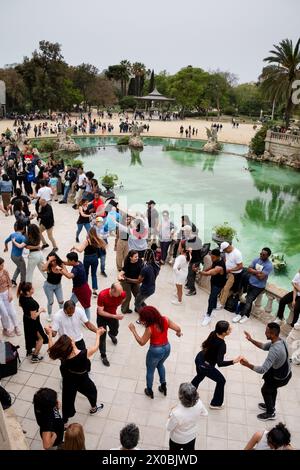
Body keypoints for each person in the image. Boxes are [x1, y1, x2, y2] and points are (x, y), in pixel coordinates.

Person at [47, 330, 105, 425]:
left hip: (68, 379)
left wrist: (49, 334)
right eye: (71, 340)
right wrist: (98, 334)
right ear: (71, 345)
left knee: (67, 401)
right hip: (82, 379)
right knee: (92, 391)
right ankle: (94, 408)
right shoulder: (82, 354)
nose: (72, 339)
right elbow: (96, 347)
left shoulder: (62, 354)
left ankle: (64, 421)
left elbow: (50, 348)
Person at [240, 323, 292, 421]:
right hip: (285, 372)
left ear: (272, 334)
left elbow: (262, 370)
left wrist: (247, 365)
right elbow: (264, 346)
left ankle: (270, 413)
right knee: (271, 388)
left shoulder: (275, 350)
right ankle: (271, 405)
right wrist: (251, 339)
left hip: (280, 377)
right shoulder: (280, 341)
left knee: (266, 390)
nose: (264, 333)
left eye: (266, 331)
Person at [128, 306, 182, 399]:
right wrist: (178, 333)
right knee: (160, 365)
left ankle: (149, 390)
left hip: (155, 351)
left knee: (150, 371)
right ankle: (163, 386)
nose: (141, 319)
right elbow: (178, 328)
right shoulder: (165, 319)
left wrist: (133, 330)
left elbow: (142, 342)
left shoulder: (150, 328)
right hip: (167, 348)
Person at [191, 321, 241, 409]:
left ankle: (188, 394)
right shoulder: (222, 345)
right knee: (221, 381)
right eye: (229, 329)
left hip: (199, 358)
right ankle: (216, 404)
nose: (231, 330)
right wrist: (234, 361)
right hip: (205, 365)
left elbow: (205, 345)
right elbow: (220, 363)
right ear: (223, 332)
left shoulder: (213, 333)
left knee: (200, 376)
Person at [233, 248, 273, 324]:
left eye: (263, 254)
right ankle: (247, 315)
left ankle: (241, 315)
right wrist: (257, 272)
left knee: (248, 300)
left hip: (259, 286)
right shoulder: (257, 260)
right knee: (249, 300)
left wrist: (253, 271)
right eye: (261, 253)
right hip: (251, 282)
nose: (261, 255)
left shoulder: (269, 265)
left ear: (268, 256)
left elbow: (261, 277)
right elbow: (249, 269)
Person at [167, 383, 208, 451]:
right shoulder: (199, 403)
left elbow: (168, 428)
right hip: (191, 436)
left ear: (181, 397)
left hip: (177, 440)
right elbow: (205, 413)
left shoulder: (176, 413)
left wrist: (170, 415)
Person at [96, 282, 126, 367]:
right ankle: (103, 355)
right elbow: (100, 312)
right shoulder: (102, 295)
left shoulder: (122, 294)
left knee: (115, 330)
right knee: (102, 337)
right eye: (119, 293)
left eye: (121, 292)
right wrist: (114, 316)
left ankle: (111, 334)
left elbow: (123, 299)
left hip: (113, 316)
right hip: (102, 317)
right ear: (112, 290)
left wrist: (115, 309)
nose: (121, 294)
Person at [72, 227, 106, 297]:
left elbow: (80, 250)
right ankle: (94, 290)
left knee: (86, 274)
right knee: (94, 274)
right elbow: (104, 246)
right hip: (95, 258)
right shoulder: (97, 240)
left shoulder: (87, 241)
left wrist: (75, 247)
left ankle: (85, 289)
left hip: (87, 258)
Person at [18, 282, 48, 362]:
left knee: (29, 335)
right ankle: (35, 356)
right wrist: (41, 310)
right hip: (33, 323)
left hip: (26, 319)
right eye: (31, 289)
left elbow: (20, 305)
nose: (33, 289)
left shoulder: (21, 296)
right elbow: (34, 317)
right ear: (27, 292)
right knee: (41, 338)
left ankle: (29, 351)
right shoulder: (32, 303)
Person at [197, 249, 227, 327]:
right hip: (214, 282)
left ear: (217, 256)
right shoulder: (216, 260)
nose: (211, 258)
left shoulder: (220, 267)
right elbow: (211, 267)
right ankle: (213, 308)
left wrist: (199, 271)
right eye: (211, 256)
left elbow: (209, 273)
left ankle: (208, 315)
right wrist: (206, 269)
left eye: (212, 257)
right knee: (213, 296)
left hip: (219, 284)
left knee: (211, 298)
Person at [63, 252, 92, 320]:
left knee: (86, 307)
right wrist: (61, 262)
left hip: (82, 290)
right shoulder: (79, 262)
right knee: (71, 304)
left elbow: (69, 276)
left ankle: (87, 321)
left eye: (68, 260)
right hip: (80, 289)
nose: (67, 261)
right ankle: (70, 316)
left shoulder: (75, 269)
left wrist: (61, 269)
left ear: (73, 261)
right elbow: (68, 263)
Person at [218, 242, 244, 309]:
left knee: (226, 288)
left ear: (228, 247)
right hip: (227, 272)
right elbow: (226, 260)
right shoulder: (227, 252)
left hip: (234, 274)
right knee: (223, 287)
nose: (224, 252)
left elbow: (240, 266)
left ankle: (221, 304)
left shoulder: (237, 254)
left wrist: (230, 270)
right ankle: (220, 301)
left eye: (224, 250)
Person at [0, 257, 21, 337]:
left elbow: (9, 283)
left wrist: (10, 293)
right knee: (4, 313)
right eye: (1, 265)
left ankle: (16, 326)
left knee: (12, 311)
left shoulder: (5, 272)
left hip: (6, 292)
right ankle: (6, 329)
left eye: (3, 264)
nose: (2, 266)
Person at [42, 253, 65, 321]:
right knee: (50, 301)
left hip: (58, 286)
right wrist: (49, 260)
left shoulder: (61, 265)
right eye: (51, 261)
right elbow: (43, 269)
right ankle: (49, 315)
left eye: (54, 260)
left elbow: (66, 272)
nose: (53, 262)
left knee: (61, 301)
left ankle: (62, 314)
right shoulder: (49, 266)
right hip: (48, 286)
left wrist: (60, 271)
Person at [4, 220, 27, 285]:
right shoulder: (22, 237)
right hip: (18, 257)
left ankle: (13, 280)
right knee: (23, 271)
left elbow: (6, 241)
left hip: (12, 256)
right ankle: (23, 284)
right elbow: (26, 247)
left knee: (19, 267)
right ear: (23, 228)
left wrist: (6, 248)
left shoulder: (12, 235)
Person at [184, 226, 203, 296]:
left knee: (191, 275)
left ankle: (192, 290)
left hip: (194, 260)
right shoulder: (198, 239)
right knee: (192, 274)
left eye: (185, 231)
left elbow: (189, 251)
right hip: (197, 259)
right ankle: (189, 286)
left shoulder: (190, 240)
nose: (184, 233)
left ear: (188, 232)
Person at [172, 241, 191, 306]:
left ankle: (179, 301)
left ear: (182, 249)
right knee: (180, 287)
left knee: (179, 288)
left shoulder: (180, 257)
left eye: (179, 246)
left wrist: (177, 273)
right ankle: (178, 296)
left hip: (180, 275)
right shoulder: (188, 255)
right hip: (185, 273)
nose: (178, 247)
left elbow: (174, 268)